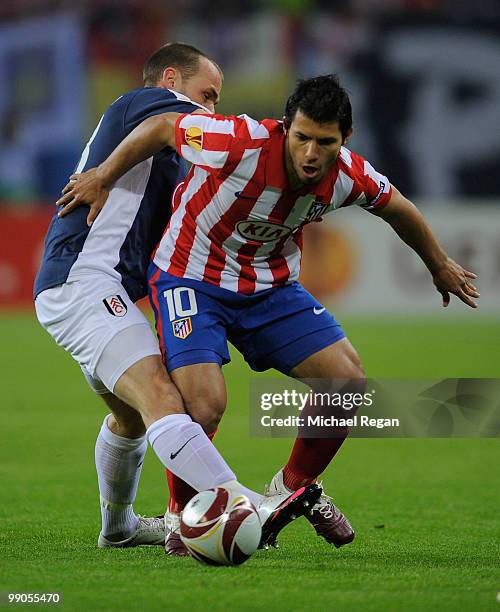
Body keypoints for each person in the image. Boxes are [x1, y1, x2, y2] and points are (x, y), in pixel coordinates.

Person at [57, 74, 479, 554]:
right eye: (302, 138)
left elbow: (397, 206)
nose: (311, 154)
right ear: (284, 128)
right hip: (189, 278)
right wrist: (101, 176)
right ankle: (183, 517)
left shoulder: (349, 174)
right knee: (203, 404)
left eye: (326, 142)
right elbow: (161, 129)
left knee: (346, 382)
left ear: (345, 140)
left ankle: (289, 488)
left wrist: (439, 264)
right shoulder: (239, 142)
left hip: (269, 288)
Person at [34, 43, 319, 553]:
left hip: (100, 287)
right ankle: (243, 504)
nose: (209, 108)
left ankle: (118, 527)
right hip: (84, 279)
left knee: (129, 415)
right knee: (163, 398)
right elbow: (205, 131)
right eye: (206, 94)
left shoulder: (172, 164)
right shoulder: (139, 103)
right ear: (170, 78)